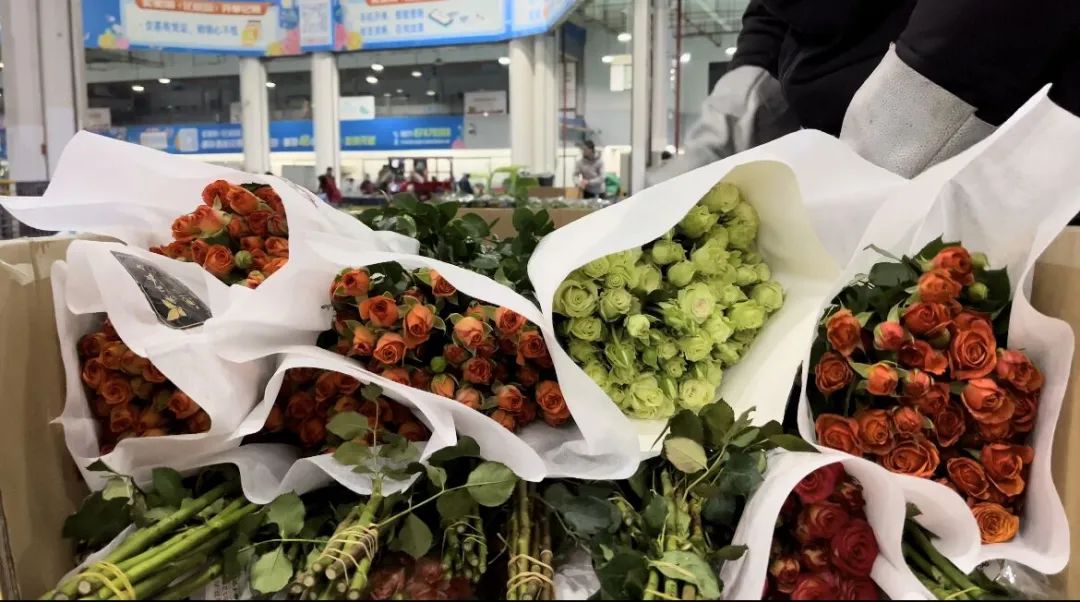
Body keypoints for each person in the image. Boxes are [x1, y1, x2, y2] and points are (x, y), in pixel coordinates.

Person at [650, 0, 1080, 183]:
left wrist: (909, 114)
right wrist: (730, 115)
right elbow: (771, 15)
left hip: (1001, 148)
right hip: (850, 149)